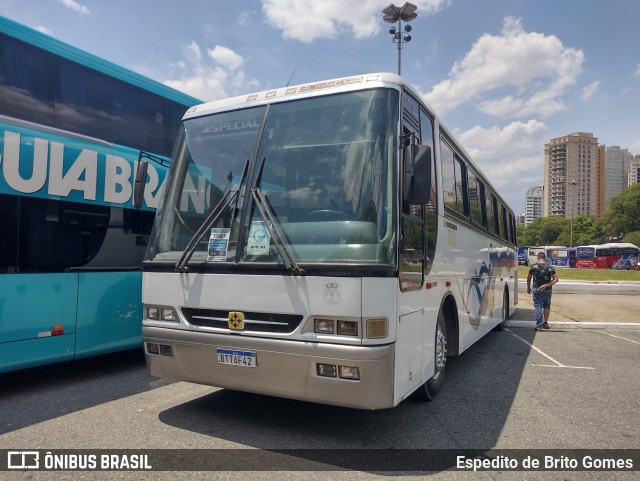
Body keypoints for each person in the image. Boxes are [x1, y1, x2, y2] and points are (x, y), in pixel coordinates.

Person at [527, 252, 558, 331]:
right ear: (545, 258)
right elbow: (556, 279)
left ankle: (539, 325)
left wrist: (528, 287)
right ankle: (545, 323)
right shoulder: (550, 267)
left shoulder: (533, 266)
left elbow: (529, 278)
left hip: (537, 289)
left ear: (538, 258)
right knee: (547, 305)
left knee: (538, 306)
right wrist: (546, 285)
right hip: (547, 289)